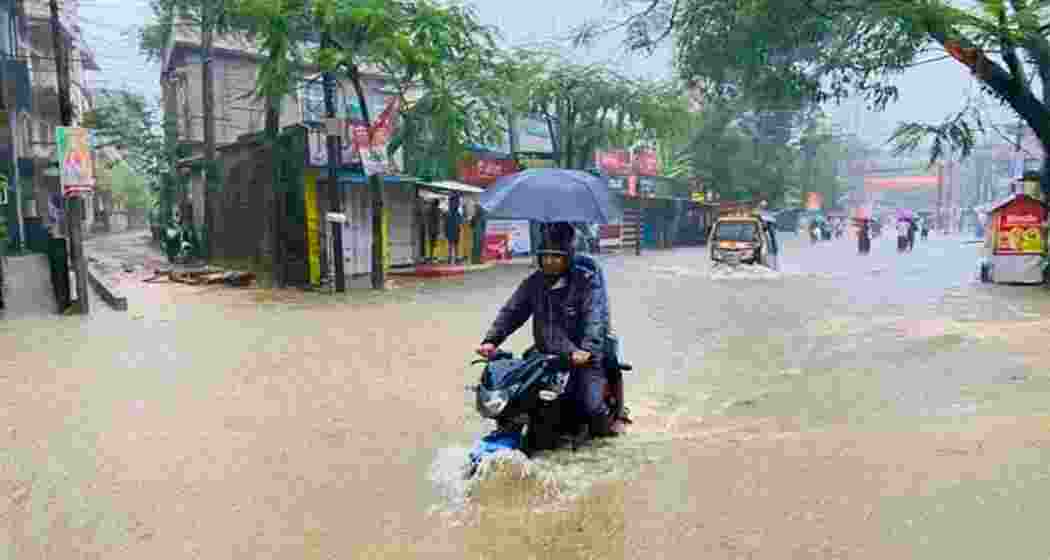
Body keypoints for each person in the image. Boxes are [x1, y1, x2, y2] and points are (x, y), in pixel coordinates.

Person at [476, 222, 619, 437]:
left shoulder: (586, 282)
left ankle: (607, 432)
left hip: (582, 354)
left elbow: (595, 318)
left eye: (556, 256)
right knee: (518, 396)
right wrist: (491, 341)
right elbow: (512, 311)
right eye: (545, 256)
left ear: (568, 257)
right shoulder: (533, 283)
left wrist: (587, 349)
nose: (550, 261)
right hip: (546, 353)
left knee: (590, 407)